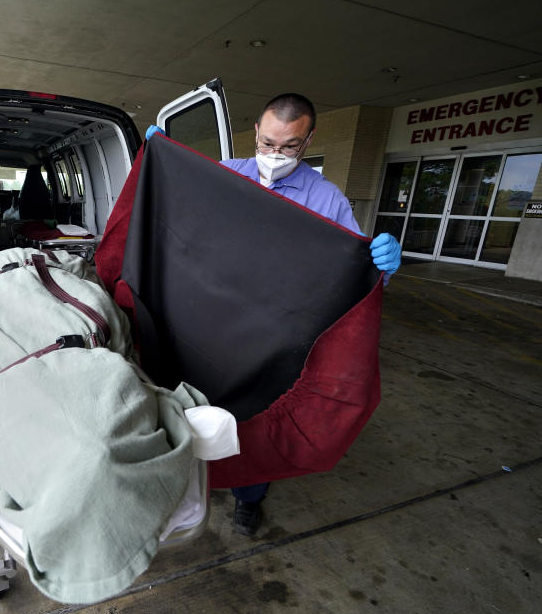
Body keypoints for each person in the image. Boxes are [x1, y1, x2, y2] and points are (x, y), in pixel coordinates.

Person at [146, 92, 401, 536]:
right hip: (210, 325)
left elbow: (351, 275)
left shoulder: (326, 200)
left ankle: (248, 495)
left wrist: (381, 269)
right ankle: (187, 486)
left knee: (255, 422)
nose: (275, 155)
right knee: (192, 407)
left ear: (308, 140)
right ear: (257, 134)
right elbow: (180, 228)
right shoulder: (227, 176)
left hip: (275, 337)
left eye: (289, 147)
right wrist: (165, 166)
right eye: (267, 144)